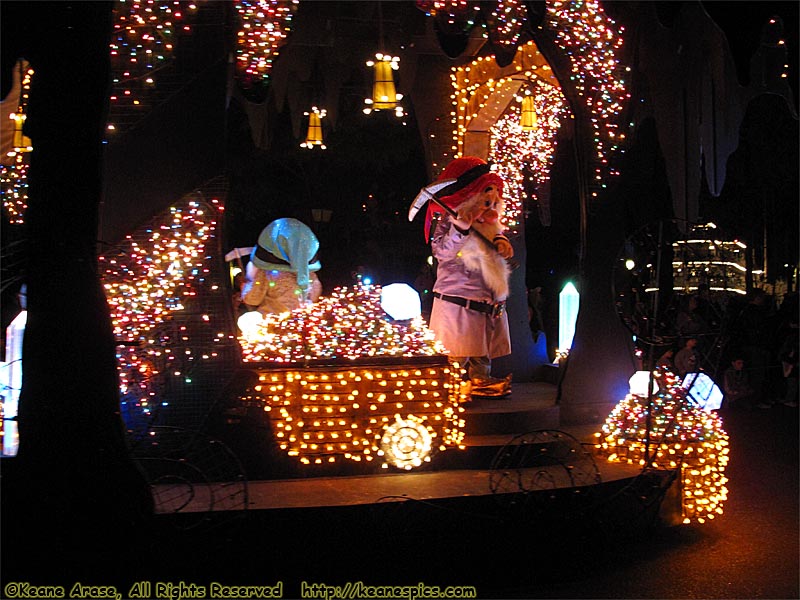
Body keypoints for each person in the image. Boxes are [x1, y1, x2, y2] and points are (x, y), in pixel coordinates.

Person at [421, 156, 514, 398]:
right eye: (486, 199)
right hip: (457, 301)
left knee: (482, 350)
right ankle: (449, 385)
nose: (491, 205)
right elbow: (442, 251)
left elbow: (494, 240)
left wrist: (501, 242)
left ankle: (481, 381)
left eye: (494, 200)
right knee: (457, 352)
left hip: (485, 302)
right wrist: (460, 229)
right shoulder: (448, 222)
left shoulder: (491, 225)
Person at [241, 218, 323, 316]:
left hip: (273, 323)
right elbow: (315, 294)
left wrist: (248, 285)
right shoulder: (309, 274)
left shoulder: (267, 273)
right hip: (302, 322)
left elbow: (252, 299)